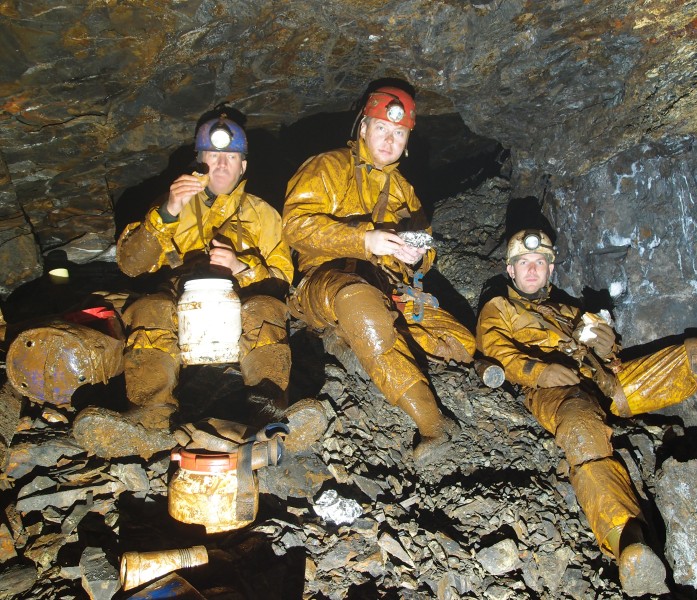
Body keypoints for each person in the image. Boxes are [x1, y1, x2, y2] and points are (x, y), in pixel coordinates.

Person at [476, 228, 697, 597]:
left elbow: (603, 341)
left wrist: (608, 342)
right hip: (554, 391)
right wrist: (538, 371)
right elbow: (493, 349)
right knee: (582, 427)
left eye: (540, 263)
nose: (532, 270)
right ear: (510, 270)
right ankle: (627, 540)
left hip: (607, 383)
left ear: (550, 269)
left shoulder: (566, 308)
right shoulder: (498, 307)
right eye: (524, 264)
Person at [65, 113, 326, 458]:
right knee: (148, 309)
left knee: (265, 310)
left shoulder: (263, 215)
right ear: (199, 161)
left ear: (243, 166)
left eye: (230, 157)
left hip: (240, 306)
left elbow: (282, 279)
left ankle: (270, 419)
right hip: (181, 303)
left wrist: (240, 267)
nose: (221, 164)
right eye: (213, 156)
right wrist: (168, 211)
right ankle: (149, 421)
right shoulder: (171, 203)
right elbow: (131, 264)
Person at [282, 85, 475, 462]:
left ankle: (353, 341)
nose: (390, 140)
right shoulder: (326, 167)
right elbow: (294, 226)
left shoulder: (404, 190)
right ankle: (432, 424)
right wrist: (364, 240)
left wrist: (418, 256)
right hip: (325, 281)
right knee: (358, 299)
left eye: (399, 133)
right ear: (363, 127)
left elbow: (426, 249)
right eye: (382, 129)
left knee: (462, 343)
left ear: (407, 142)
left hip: (389, 284)